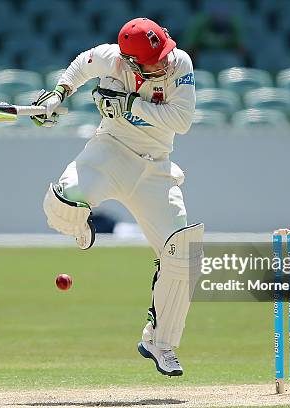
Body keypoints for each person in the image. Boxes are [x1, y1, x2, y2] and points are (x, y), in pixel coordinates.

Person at [31, 17, 203, 377]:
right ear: (130, 62)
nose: (165, 62)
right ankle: (82, 228)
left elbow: (181, 119)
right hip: (109, 154)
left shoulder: (179, 63)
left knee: (183, 254)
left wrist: (127, 105)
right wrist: (59, 94)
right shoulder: (112, 58)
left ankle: (160, 341)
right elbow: (82, 64)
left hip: (155, 168)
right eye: (155, 60)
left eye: (165, 53)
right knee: (61, 205)